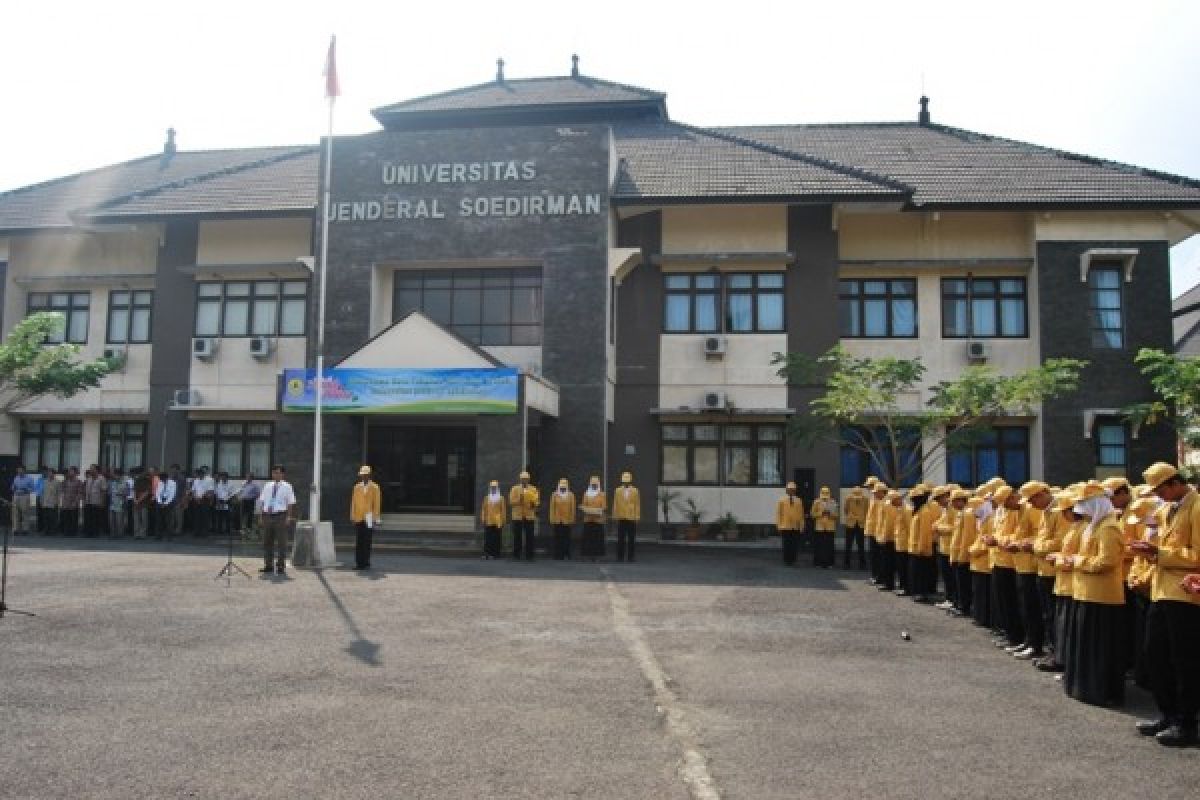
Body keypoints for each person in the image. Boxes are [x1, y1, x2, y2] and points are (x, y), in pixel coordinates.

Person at [1131, 462, 1200, 747]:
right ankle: (1168, 713)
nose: (1158, 497)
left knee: (1183, 660)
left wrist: (1160, 553)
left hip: (1185, 593)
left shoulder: (1196, 507)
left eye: (1160, 490)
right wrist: (1149, 552)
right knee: (1155, 654)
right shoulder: (1167, 509)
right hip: (1162, 590)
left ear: (1173, 483)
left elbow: (1196, 555)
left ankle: (1186, 722)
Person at [1063, 481, 1126, 707]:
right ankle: (1085, 687)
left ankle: (1103, 690)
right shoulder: (1095, 525)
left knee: (1101, 646)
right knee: (1087, 644)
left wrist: (1076, 561)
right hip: (1087, 592)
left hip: (1102, 595)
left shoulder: (1108, 527)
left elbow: (1107, 561)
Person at [1039, 492, 1083, 674]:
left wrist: (1058, 558)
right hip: (1064, 583)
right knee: (1060, 623)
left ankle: (1065, 662)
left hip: (1074, 584)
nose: (1064, 515)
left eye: (1066, 511)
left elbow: (1080, 557)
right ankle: (1061, 659)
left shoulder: (1089, 528)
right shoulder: (1076, 527)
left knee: (1069, 628)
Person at [1008, 481, 1051, 661]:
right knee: (1027, 607)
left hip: (1035, 565)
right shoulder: (1035, 510)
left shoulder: (1044, 511)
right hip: (1028, 563)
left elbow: (1044, 538)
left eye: (1032, 499)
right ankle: (1030, 641)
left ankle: (1037, 645)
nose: (1029, 503)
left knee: (1036, 609)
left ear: (1041, 494)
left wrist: (1030, 544)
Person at [256, 464, 296, 576]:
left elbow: (290, 503)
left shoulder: (287, 486)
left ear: (283, 474)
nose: (276, 475)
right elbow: (262, 501)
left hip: (280, 515)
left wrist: (288, 517)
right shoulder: (268, 485)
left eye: (278, 472)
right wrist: (260, 515)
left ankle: (280, 566)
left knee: (281, 542)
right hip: (268, 515)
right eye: (274, 472)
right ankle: (268, 565)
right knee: (267, 542)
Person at [350, 465, 381, 570]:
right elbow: (353, 502)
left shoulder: (375, 487)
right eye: (362, 475)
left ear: (369, 475)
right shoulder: (357, 487)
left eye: (366, 475)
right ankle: (359, 563)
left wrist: (376, 518)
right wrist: (352, 516)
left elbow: (376, 504)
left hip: (369, 517)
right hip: (358, 516)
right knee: (359, 541)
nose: (364, 477)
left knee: (367, 541)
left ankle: (366, 561)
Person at [509, 471, 540, 561]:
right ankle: (516, 555)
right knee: (517, 537)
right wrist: (520, 498)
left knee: (530, 536)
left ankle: (529, 556)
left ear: (528, 479)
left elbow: (537, 502)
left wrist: (532, 503)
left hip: (529, 516)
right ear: (520, 479)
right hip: (517, 516)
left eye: (526, 479)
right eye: (523, 479)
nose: (524, 481)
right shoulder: (514, 489)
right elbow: (511, 502)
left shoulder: (533, 489)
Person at [775, 481, 805, 566]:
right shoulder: (782, 500)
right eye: (789, 489)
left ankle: (793, 559)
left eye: (793, 489)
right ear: (787, 490)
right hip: (785, 526)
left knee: (794, 544)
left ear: (795, 490)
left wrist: (802, 525)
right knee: (786, 544)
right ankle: (787, 560)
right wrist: (778, 525)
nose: (791, 491)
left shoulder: (799, 500)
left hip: (795, 526)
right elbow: (778, 513)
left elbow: (801, 514)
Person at [613, 472, 641, 562]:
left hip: (631, 517)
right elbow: (615, 503)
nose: (626, 483)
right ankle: (620, 557)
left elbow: (637, 504)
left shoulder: (635, 490)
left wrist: (637, 516)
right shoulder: (617, 490)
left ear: (630, 481)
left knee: (631, 539)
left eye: (627, 482)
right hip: (621, 517)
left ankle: (631, 557)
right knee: (620, 538)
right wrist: (615, 515)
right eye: (624, 482)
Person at [580, 476, 606, 561]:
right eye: (593, 484)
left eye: (595, 484)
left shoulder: (602, 494)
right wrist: (586, 509)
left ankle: (597, 556)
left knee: (597, 539)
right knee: (588, 538)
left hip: (598, 520)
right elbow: (584, 505)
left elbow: (604, 506)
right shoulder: (586, 494)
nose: (594, 486)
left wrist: (599, 510)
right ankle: (588, 555)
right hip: (588, 519)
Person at [810, 486, 838, 568]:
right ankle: (818, 563)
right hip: (819, 527)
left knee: (829, 546)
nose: (825, 497)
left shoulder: (833, 502)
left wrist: (830, 513)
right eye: (823, 494)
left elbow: (836, 515)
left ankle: (829, 563)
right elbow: (812, 514)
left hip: (830, 528)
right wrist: (821, 513)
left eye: (826, 494)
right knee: (819, 546)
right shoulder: (816, 502)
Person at [549, 478, 576, 560]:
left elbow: (573, 508)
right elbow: (552, 507)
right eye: (561, 487)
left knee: (566, 538)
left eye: (564, 487)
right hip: (557, 520)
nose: (563, 488)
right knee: (557, 538)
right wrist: (552, 518)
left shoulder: (571, 495)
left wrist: (572, 518)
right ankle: (557, 554)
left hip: (567, 520)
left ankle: (566, 554)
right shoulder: (554, 494)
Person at [842, 485, 868, 569]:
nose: (857, 497)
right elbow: (845, 509)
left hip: (861, 523)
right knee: (848, 544)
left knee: (861, 545)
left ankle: (862, 564)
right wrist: (851, 516)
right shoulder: (848, 498)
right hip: (851, 523)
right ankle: (846, 563)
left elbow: (867, 510)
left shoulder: (865, 499)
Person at [480, 480, 506, 559]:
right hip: (489, 520)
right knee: (488, 538)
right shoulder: (487, 498)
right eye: (492, 487)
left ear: (497, 488)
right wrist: (483, 518)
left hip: (498, 521)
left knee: (497, 538)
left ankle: (496, 554)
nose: (493, 488)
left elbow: (503, 510)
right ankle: (487, 553)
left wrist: (503, 520)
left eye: (495, 487)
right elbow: (484, 509)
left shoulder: (501, 498)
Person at [10, 465, 37, 534]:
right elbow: (12, 487)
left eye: (20, 470)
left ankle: (25, 529)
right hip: (16, 496)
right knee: (15, 513)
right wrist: (13, 488)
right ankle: (15, 529)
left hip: (25, 496)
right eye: (18, 470)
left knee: (25, 513)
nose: (19, 472)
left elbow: (33, 489)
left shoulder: (29, 478)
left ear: (24, 470)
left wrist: (26, 489)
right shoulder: (16, 478)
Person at [83, 465, 108, 537]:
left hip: (97, 501)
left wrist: (102, 501)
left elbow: (103, 491)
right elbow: (86, 490)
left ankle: (95, 532)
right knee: (88, 518)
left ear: (96, 470)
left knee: (95, 518)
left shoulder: (101, 478)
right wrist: (85, 499)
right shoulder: (89, 478)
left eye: (92, 469)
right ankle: (88, 532)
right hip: (88, 501)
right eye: (90, 469)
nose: (90, 470)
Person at [155, 467, 178, 540]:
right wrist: (160, 502)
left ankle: (169, 536)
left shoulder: (172, 483)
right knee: (159, 520)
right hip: (160, 501)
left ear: (166, 478)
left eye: (163, 479)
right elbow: (157, 493)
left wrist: (166, 503)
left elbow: (172, 494)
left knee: (168, 520)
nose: (162, 480)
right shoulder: (160, 482)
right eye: (161, 479)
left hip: (169, 502)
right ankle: (159, 535)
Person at [192, 467, 215, 537]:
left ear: (203, 474)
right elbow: (193, 490)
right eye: (198, 474)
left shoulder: (209, 480)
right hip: (197, 500)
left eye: (200, 474)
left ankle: (205, 532)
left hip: (205, 500)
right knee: (197, 517)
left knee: (205, 517)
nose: (198, 475)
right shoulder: (196, 480)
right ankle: (197, 532)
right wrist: (195, 497)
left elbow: (210, 490)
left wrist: (202, 497)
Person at [60, 466, 84, 537]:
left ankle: (73, 532)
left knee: (73, 518)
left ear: (75, 473)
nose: (70, 473)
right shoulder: (65, 481)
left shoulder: (79, 482)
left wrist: (75, 502)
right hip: (66, 503)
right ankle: (66, 531)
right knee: (66, 518)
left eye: (71, 471)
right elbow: (63, 491)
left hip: (74, 503)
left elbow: (79, 493)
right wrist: (63, 501)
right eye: (69, 471)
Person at [108, 467, 130, 538]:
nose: (113, 475)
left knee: (119, 521)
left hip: (120, 503)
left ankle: (120, 534)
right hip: (112, 504)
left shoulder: (125, 483)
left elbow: (127, 493)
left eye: (114, 474)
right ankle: (113, 534)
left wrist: (120, 494)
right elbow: (110, 492)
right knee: (111, 520)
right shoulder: (112, 483)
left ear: (119, 475)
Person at [213, 471, 235, 542]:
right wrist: (217, 501)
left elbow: (232, 493)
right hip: (220, 501)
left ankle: (228, 530)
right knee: (220, 516)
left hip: (228, 501)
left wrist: (228, 499)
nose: (222, 478)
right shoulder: (218, 484)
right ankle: (219, 530)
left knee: (228, 516)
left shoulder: (230, 484)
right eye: (221, 477)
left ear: (226, 477)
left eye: (224, 476)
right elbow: (216, 493)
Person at [39, 467, 61, 536]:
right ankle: (46, 530)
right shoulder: (45, 481)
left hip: (53, 502)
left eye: (51, 473)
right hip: (45, 502)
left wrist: (57, 502)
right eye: (48, 473)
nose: (49, 474)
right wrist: (41, 501)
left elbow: (58, 493)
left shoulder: (57, 482)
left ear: (54, 474)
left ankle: (53, 531)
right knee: (45, 518)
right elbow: (42, 492)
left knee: (53, 518)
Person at [132, 468, 152, 539]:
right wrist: (135, 499)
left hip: (144, 503)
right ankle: (136, 533)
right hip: (136, 502)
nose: (138, 475)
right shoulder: (136, 480)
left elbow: (147, 492)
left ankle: (143, 534)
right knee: (136, 519)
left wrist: (138, 500)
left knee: (143, 519)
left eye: (139, 473)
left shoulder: (147, 481)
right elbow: (134, 491)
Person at [239, 473, 261, 537]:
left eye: (248, 477)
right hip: (243, 501)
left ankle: (249, 527)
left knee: (250, 514)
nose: (247, 478)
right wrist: (240, 497)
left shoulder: (255, 485)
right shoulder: (243, 483)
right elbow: (241, 491)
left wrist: (253, 498)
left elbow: (258, 494)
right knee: (243, 514)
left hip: (250, 501)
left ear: (251, 478)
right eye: (246, 477)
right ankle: (243, 527)